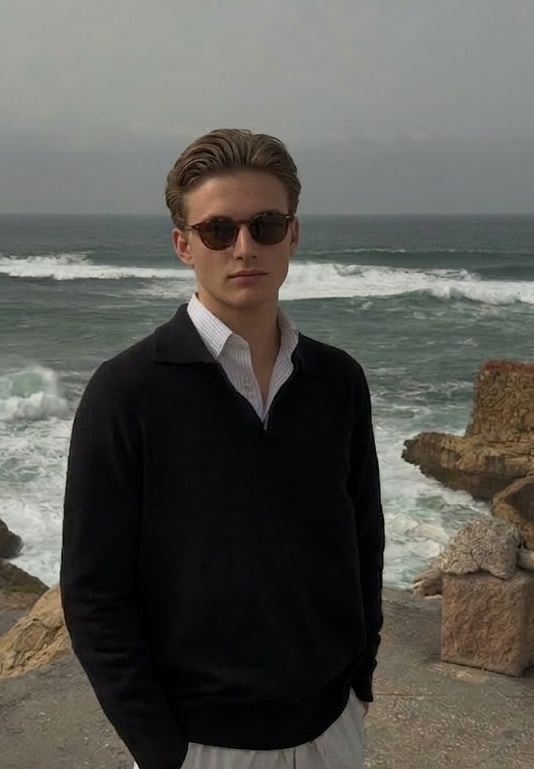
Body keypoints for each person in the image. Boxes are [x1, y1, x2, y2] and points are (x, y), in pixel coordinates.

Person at [60, 128, 385, 769]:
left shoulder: (337, 381)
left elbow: (363, 538)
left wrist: (359, 681)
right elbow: (93, 592)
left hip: (333, 731)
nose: (245, 248)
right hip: (204, 749)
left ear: (293, 235)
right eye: (218, 231)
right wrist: (161, 748)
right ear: (184, 245)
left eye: (265, 225)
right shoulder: (126, 392)